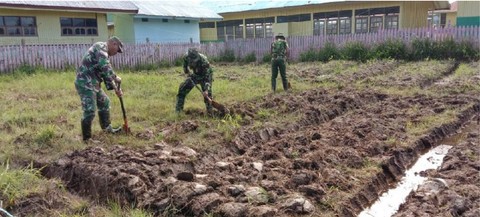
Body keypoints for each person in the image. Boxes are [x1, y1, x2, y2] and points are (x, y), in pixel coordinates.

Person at [74, 36, 124, 142]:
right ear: (114, 44)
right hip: (85, 83)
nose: (116, 53)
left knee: (104, 102)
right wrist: (115, 77)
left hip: (94, 84)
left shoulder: (104, 54)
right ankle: (87, 139)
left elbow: (105, 75)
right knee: (90, 110)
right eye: (117, 50)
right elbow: (104, 66)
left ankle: (107, 129)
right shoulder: (100, 47)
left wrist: (116, 89)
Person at [175, 48, 213, 114]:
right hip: (195, 75)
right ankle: (178, 111)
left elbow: (208, 78)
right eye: (192, 61)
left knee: (208, 95)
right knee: (182, 89)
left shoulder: (204, 61)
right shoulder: (186, 57)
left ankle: (210, 112)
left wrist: (206, 90)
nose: (193, 62)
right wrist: (188, 73)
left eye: (195, 60)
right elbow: (185, 67)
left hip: (205, 76)